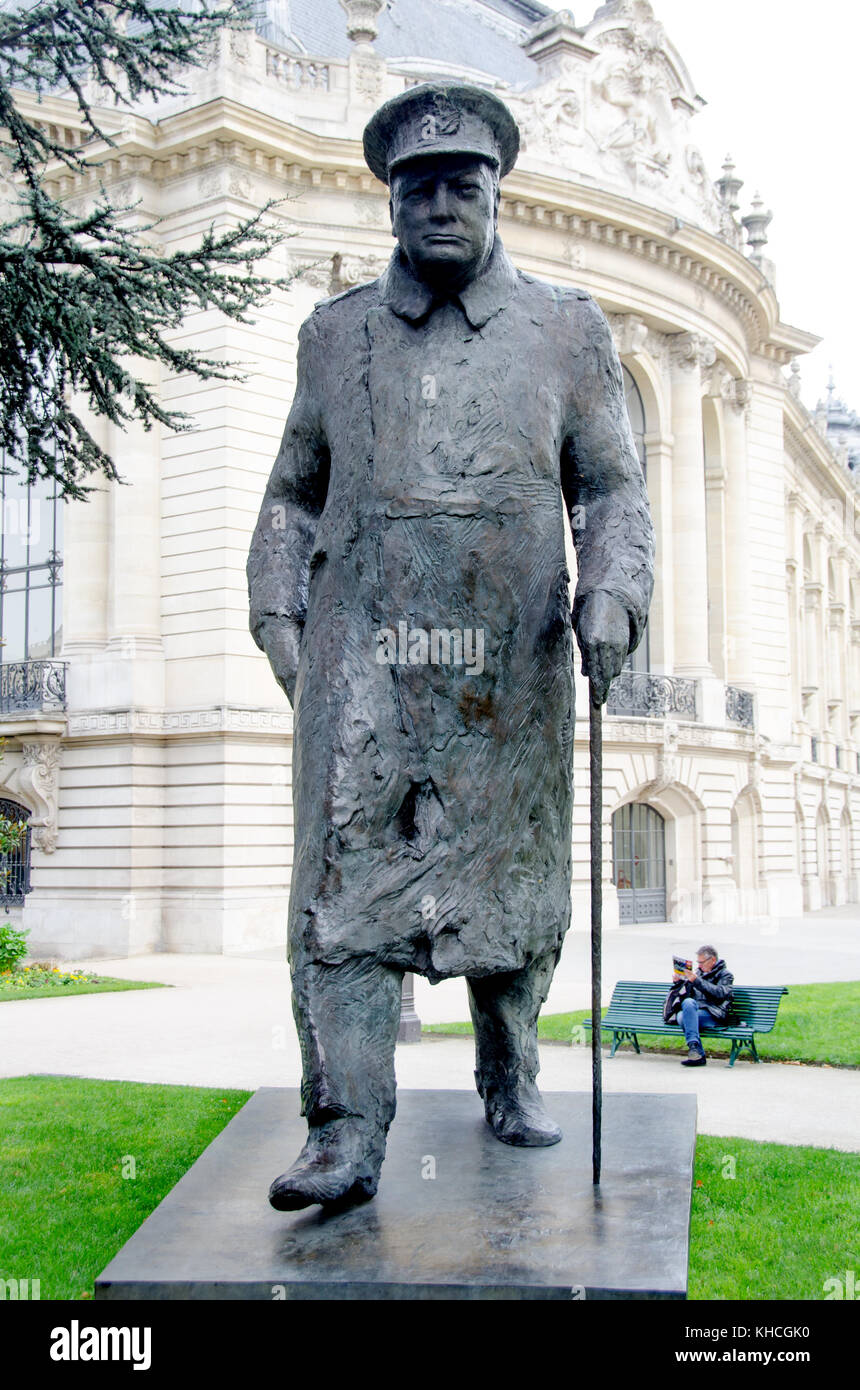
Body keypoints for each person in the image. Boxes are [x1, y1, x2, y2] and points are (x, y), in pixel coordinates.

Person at [247, 82, 655, 1211]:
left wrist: (613, 595)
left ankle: (510, 1070)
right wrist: (279, 617)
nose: (438, 204)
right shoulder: (332, 336)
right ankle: (343, 1127)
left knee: (514, 885)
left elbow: (612, 487)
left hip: (508, 657)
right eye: (415, 186)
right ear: (387, 204)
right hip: (360, 654)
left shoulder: (567, 330)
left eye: (460, 185)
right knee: (340, 896)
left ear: (492, 194)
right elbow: (289, 494)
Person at [674, 946, 734, 1067]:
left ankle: (697, 1053)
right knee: (685, 1009)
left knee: (684, 1018)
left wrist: (697, 981)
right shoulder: (698, 973)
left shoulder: (725, 975)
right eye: (698, 963)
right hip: (696, 1012)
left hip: (714, 1013)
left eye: (701, 962)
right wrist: (680, 982)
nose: (699, 966)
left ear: (712, 960)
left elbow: (720, 994)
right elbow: (688, 997)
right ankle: (694, 1049)